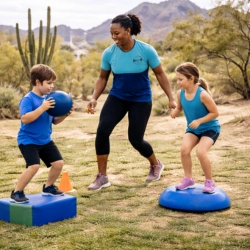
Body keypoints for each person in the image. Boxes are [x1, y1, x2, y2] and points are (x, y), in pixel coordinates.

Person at [86, 13, 177, 190]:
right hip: (118, 97)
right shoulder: (109, 53)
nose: (114, 37)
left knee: (135, 139)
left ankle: (155, 164)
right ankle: (102, 176)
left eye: (117, 33)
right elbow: (102, 78)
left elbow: (160, 74)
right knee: (102, 131)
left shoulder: (146, 50)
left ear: (128, 31)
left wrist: (171, 98)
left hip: (141, 99)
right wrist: (94, 98)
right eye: (111, 33)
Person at [10, 64, 73, 203]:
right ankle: (17, 192)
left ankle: (48, 187)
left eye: (53, 83)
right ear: (38, 82)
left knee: (58, 163)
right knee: (33, 166)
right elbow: (25, 119)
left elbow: (54, 121)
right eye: (49, 83)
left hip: (45, 140)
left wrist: (65, 115)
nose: (51, 86)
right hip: (28, 140)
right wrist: (42, 107)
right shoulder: (28, 99)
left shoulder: (50, 100)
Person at [171, 62, 220, 194]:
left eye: (181, 79)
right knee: (184, 149)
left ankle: (209, 181)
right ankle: (188, 179)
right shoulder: (180, 93)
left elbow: (215, 113)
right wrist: (176, 111)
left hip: (210, 128)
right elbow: (180, 107)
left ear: (191, 78)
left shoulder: (202, 94)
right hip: (193, 129)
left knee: (201, 152)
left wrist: (199, 121)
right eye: (177, 79)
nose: (178, 82)